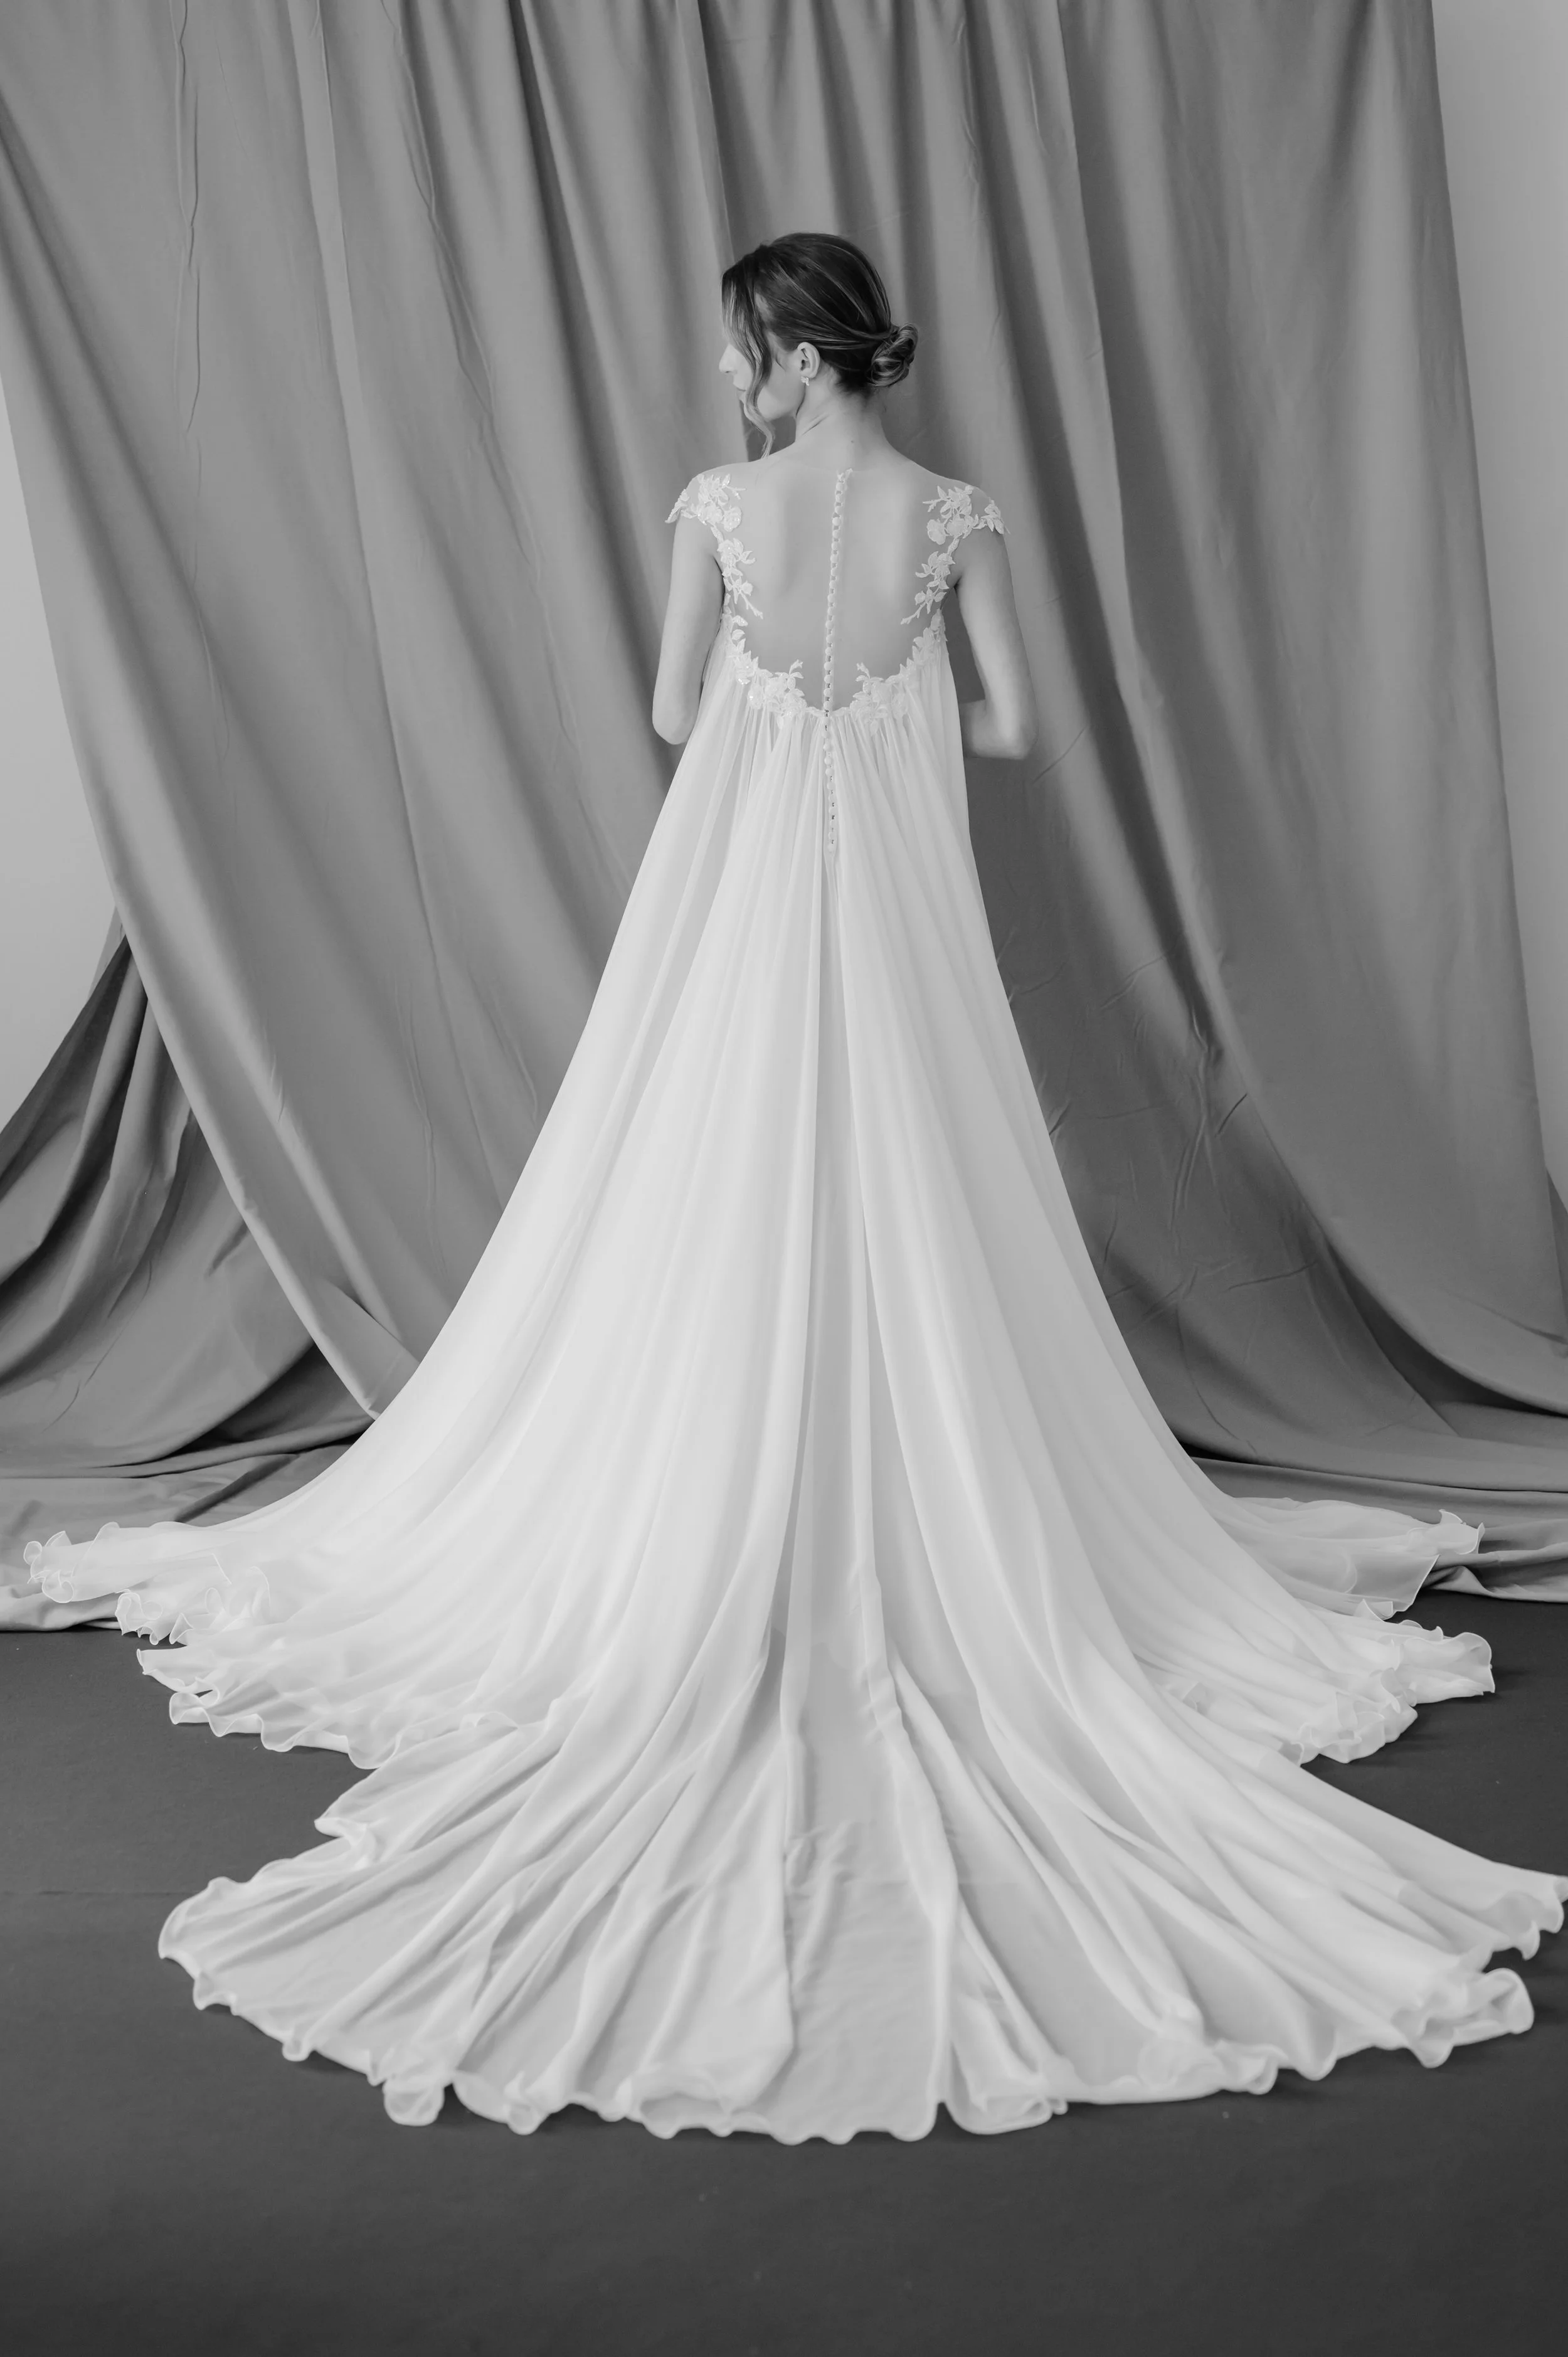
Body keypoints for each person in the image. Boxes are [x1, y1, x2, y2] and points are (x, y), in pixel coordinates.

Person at [26, 232, 1562, 2141]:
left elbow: (681, 711)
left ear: (797, 349)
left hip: (751, 916)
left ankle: (730, 1482)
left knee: (708, 1174)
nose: (729, 377)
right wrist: (891, 708)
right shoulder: (952, 515)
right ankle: (922, 1490)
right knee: (921, 1178)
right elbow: (1016, 725)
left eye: (743, 346)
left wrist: (795, 705)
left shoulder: (719, 509)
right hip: (899, 923)